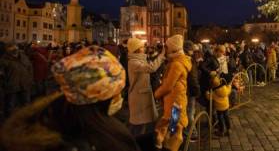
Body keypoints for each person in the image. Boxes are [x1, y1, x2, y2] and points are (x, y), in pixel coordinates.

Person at [0, 46, 143, 151]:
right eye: (117, 92)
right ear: (102, 97)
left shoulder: (45, 116)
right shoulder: (106, 139)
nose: (119, 97)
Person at [154, 35, 192, 151]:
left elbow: (168, 86)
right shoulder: (178, 61)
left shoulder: (176, 64)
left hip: (175, 104)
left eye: (167, 48)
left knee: (175, 130)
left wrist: (156, 94)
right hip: (176, 102)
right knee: (172, 128)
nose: (166, 50)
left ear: (172, 49)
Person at [127, 37, 165, 137]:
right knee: (138, 125)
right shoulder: (133, 62)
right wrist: (161, 56)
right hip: (139, 97)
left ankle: (143, 142)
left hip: (143, 95)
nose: (144, 48)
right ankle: (133, 143)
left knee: (146, 123)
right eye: (142, 47)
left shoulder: (139, 59)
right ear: (137, 49)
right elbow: (151, 68)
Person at [1, 43, 33, 118]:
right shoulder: (3, 60)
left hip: (25, 85)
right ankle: (9, 122)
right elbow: (2, 75)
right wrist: (5, 84)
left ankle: (24, 119)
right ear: (7, 50)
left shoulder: (24, 57)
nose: (15, 50)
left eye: (15, 49)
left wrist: (30, 79)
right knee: (10, 105)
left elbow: (30, 68)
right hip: (12, 86)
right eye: (12, 49)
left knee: (26, 104)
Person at [183, 41, 201, 141]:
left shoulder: (189, 59)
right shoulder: (189, 60)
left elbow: (193, 76)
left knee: (188, 112)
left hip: (187, 90)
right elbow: (193, 77)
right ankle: (192, 132)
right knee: (189, 112)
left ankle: (191, 133)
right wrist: (197, 90)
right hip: (189, 90)